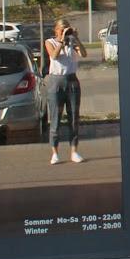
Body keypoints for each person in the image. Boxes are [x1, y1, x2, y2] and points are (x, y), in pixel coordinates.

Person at [44, 17, 86, 165]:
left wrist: (75, 38)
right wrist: (61, 41)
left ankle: (74, 151)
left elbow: (84, 54)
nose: (64, 32)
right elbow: (54, 56)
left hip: (72, 80)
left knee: (74, 118)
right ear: (56, 30)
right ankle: (55, 152)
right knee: (55, 118)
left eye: (66, 29)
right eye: (62, 29)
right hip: (56, 81)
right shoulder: (51, 42)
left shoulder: (72, 43)